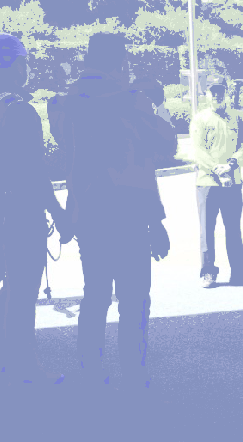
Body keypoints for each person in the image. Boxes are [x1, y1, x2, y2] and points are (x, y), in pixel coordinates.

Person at [47, 33, 176, 390]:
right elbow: (164, 144)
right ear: (121, 62)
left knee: (95, 294)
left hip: (88, 213)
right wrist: (158, 105)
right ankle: (134, 373)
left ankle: (91, 370)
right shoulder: (132, 101)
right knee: (134, 298)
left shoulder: (65, 105)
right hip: (130, 214)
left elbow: (65, 146)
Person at [0, 32, 71, 382]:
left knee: (7, 290)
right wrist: (58, 213)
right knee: (21, 291)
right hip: (19, 212)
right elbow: (33, 170)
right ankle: (24, 367)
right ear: (13, 65)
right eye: (24, 62)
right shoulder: (19, 110)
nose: (27, 68)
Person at [192, 78, 243, 288]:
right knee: (207, 230)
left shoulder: (237, 118)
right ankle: (208, 273)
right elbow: (198, 151)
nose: (217, 95)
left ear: (226, 93)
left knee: (233, 229)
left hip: (232, 181)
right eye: (213, 91)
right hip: (208, 183)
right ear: (207, 94)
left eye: (221, 91)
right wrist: (217, 171)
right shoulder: (200, 119)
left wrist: (230, 165)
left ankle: (239, 274)